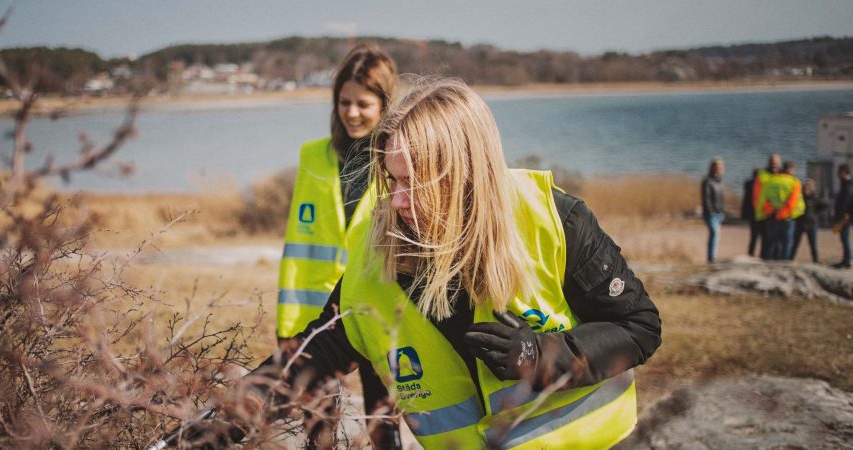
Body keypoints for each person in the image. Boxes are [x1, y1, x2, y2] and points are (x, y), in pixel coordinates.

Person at [190, 79, 661, 449]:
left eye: (414, 182)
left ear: (466, 173)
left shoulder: (553, 219)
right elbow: (310, 359)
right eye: (391, 180)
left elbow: (639, 326)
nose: (396, 202)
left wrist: (544, 358)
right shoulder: (376, 266)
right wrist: (216, 425)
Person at [276, 43, 400, 448]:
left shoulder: (397, 162)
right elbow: (299, 247)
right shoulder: (312, 156)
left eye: (362, 103)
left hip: (378, 308)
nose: (351, 112)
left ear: (385, 104)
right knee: (318, 430)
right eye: (343, 102)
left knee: (385, 424)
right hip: (319, 315)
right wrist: (288, 326)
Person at [754, 155, 803, 260]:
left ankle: (767, 265)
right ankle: (783, 266)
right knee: (785, 244)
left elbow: (762, 199)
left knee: (770, 243)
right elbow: (793, 203)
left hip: (771, 217)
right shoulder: (795, 182)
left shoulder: (770, 181)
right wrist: (781, 214)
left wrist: (771, 212)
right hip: (787, 218)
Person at [790, 179, 824, 263]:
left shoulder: (814, 198)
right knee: (795, 243)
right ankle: (790, 259)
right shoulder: (799, 197)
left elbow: (824, 205)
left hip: (811, 224)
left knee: (813, 245)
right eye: (806, 187)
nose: (807, 189)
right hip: (800, 223)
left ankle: (815, 261)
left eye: (809, 187)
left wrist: (815, 214)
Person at [701, 158, 725, 263]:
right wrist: (711, 212)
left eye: (720, 167)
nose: (718, 169)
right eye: (716, 167)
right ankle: (711, 258)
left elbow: (721, 198)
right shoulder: (707, 181)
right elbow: (706, 198)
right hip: (710, 214)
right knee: (714, 233)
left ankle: (713, 256)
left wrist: (722, 211)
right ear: (712, 168)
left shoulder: (720, 181)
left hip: (720, 214)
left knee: (716, 235)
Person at [833, 164, 852, 268]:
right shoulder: (845, 184)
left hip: (845, 217)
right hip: (845, 216)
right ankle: (846, 259)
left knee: (844, 238)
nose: (837, 175)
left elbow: (845, 204)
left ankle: (847, 261)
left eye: (839, 172)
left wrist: (842, 218)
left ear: (844, 172)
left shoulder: (847, 186)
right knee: (843, 238)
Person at [742, 168, 760, 257]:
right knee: (759, 236)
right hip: (758, 213)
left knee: (754, 236)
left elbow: (745, 200)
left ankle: (751, 254)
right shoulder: (757, 185)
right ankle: (759, 254)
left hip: (753, 213)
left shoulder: (748, 184)